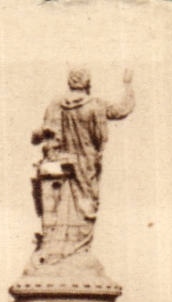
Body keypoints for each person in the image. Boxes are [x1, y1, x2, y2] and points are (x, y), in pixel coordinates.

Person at [33, 67, 135, 228]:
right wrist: (128, 85)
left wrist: (37, 136)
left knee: (57, 206)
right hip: (86, 163)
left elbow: (45, 131)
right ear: (87, 82)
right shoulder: (96, 104)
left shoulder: (57, 103)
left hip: (62, 161)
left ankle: (60, 244)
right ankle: (77, 246)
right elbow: (122, 109)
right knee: (85, 207)